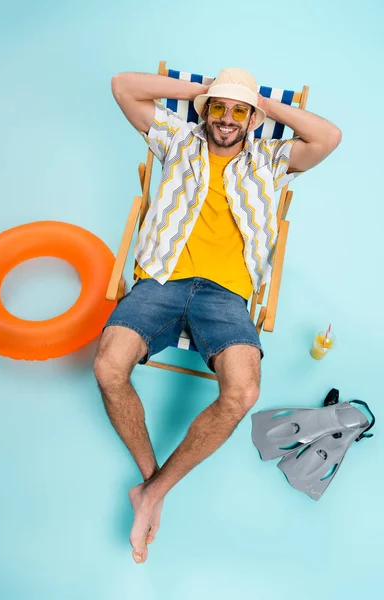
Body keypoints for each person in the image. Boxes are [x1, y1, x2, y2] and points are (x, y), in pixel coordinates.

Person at [94, 67, 341, 563]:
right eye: (219, 110)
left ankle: (153, 492)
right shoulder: (177, 139)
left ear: (251, 118)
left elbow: (328, 136)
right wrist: (204, 94)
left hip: (226, 296)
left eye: (238, 112)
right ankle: (152, 483)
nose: (226, 120)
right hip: (161, 280)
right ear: (207, 111)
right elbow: (122, 84)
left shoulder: (271, 158)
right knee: (106, 367)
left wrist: (259, 105)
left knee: (244, 392)